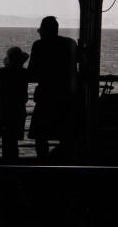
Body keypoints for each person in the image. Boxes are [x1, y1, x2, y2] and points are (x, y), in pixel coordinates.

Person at [27, 16, 79, 160]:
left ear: (44, 30)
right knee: (66, 135)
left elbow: (32, 74)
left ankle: (43, 164)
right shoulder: (70, 43)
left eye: (40, 30)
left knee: (40, 136)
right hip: (67, 98)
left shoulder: (38, 45)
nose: (39, 33)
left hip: (46, 97)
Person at [0, 46, 29, 161]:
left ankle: (8, 163)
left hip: (5, 109)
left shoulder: (1, 73)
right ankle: (14, 162)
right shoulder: (24, 73)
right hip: (19, 110)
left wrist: (6, 65)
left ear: (8, 60)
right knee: (13, 140)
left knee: (6, 141)